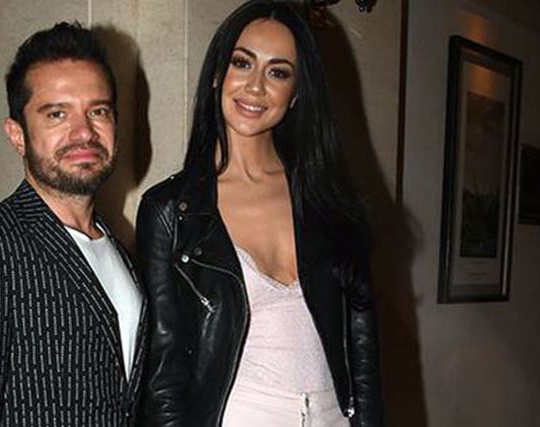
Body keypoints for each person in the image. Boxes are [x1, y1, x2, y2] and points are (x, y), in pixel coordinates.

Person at [136, 1, 382, 426]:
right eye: (242, 63)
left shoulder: (326, 198)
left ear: (297, 92)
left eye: (278, 72)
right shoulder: (170, 211)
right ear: (218, 73)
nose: (255, 86)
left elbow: (362, 347)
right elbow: (164, 373)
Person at [0, 22, 146, 426]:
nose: (84, 132)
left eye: (98, 111)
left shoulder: (121, 251)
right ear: (17, 135)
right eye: (57, 114)